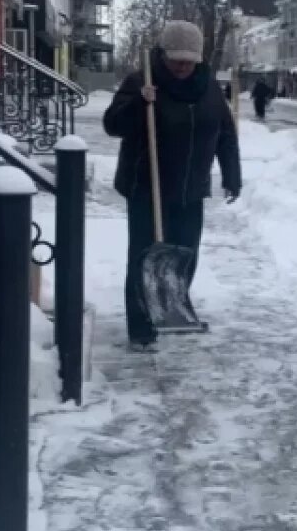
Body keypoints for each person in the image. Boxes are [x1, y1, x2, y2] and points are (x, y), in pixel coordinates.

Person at [104, 20, 242, 348]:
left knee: (184, 254)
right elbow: (112, 125)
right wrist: (139, 101)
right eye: (176, 59)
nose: (182, 66)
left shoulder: (208, 87)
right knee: (144, 256)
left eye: (189, 60)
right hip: (146, 188)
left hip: (190, 187)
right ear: (162, 55)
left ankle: (172, 308)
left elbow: (224, 132)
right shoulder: (142, 81)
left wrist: (232, 174)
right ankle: (141, 326)